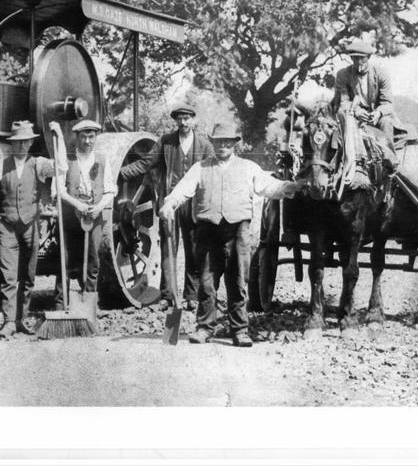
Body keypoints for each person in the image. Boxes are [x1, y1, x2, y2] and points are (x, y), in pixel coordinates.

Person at [158, 123, 305, 346]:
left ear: (234, 143)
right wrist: (169, 204)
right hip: (208, 232)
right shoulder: (200, 167)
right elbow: (183, 189)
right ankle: (204, 328)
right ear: (213, 143)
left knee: (238, 281)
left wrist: (291, 187)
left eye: (227, 141)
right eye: (218, 141)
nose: (223, 145)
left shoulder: (248, 167)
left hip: (238, 232)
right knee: (207, 282)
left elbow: (269, 186)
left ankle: (240, 330)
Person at [0, 120, 68, 337]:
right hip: (7, 228)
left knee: (28, 276)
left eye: (26, 141)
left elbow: (61, 168)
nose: (22, 146)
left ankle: (22, 319)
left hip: (30, 227)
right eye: (18, 142)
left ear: (30, 143)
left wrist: (60, 137)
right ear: (12, 144)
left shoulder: (38, 164)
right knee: (8, 277)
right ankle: (8, 321)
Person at [120, 105, 214, 311]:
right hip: (170, 203)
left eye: (187, 118)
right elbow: (146, 163)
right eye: (180, 119)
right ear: (176, 121)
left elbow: (212, 175)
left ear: (193, 120)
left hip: (194, 205)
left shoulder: (205, 145)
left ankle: (192, 296)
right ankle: (168, 295)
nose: (183, 122)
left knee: (194, 249)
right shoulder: (166, 142)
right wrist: (119, 173)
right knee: (168, 249)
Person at [54, 119, 116, 305]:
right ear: (77, 138)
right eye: (83, 137)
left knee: (93, 261)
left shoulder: (102, 160)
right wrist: (76, 205)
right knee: (64, 258)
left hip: (94, 215)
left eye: (91, 137)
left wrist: (98, 207)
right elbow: (58, 191)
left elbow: (110, 190)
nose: (87, 141)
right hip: (70, 216)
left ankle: (88, 302)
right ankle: (60, 303)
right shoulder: (66, 160)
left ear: (96, 137)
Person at [332, 40, 400, 150]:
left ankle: (390, 162)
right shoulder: (343, 75)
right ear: (351, 58)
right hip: (353, 115)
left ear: (368, 57)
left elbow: (388, 103)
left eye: (362, 58)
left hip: (377, 117)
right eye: (355, 58)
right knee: (341, 120)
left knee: (386, 122)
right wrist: (356, 111)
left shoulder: (381, 74)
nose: (359, 62)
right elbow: (343, 101)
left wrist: (378, 113)